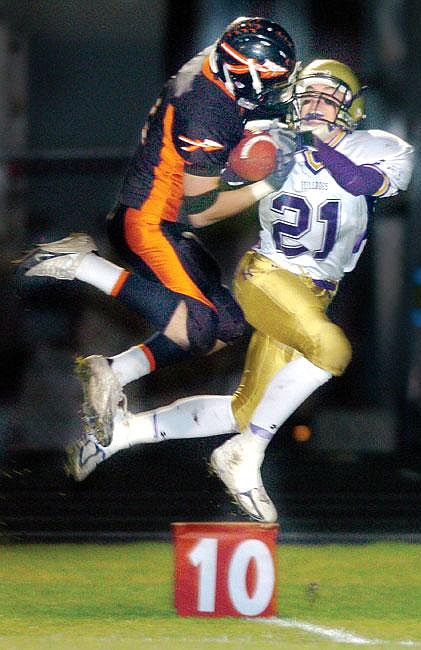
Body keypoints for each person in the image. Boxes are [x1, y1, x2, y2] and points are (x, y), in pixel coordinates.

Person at [65, 59, 414, 523]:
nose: (312, 107)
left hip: (316, 294)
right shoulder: (268, 139)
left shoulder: (380, 148)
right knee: (331, 349)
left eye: (326, 100)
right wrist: (241, 160)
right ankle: (247, 453)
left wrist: (309, 148)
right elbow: (207, 189)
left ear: (351, 111)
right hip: (267, 277)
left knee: (243, 410)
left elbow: (362, 181)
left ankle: (122, 435)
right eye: (306, 96)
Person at [19, 17, 298, 446]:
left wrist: (262, 119)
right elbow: (203, 210)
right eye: (274, 81)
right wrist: (264, 183)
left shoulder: (212, 69)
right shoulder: (207, 110)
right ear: (245, 74)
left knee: (228, 328)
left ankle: (114, 371)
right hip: (147, 223)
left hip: (165, 221)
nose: (278, 90)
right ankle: (82, 265)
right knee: (198, 328)